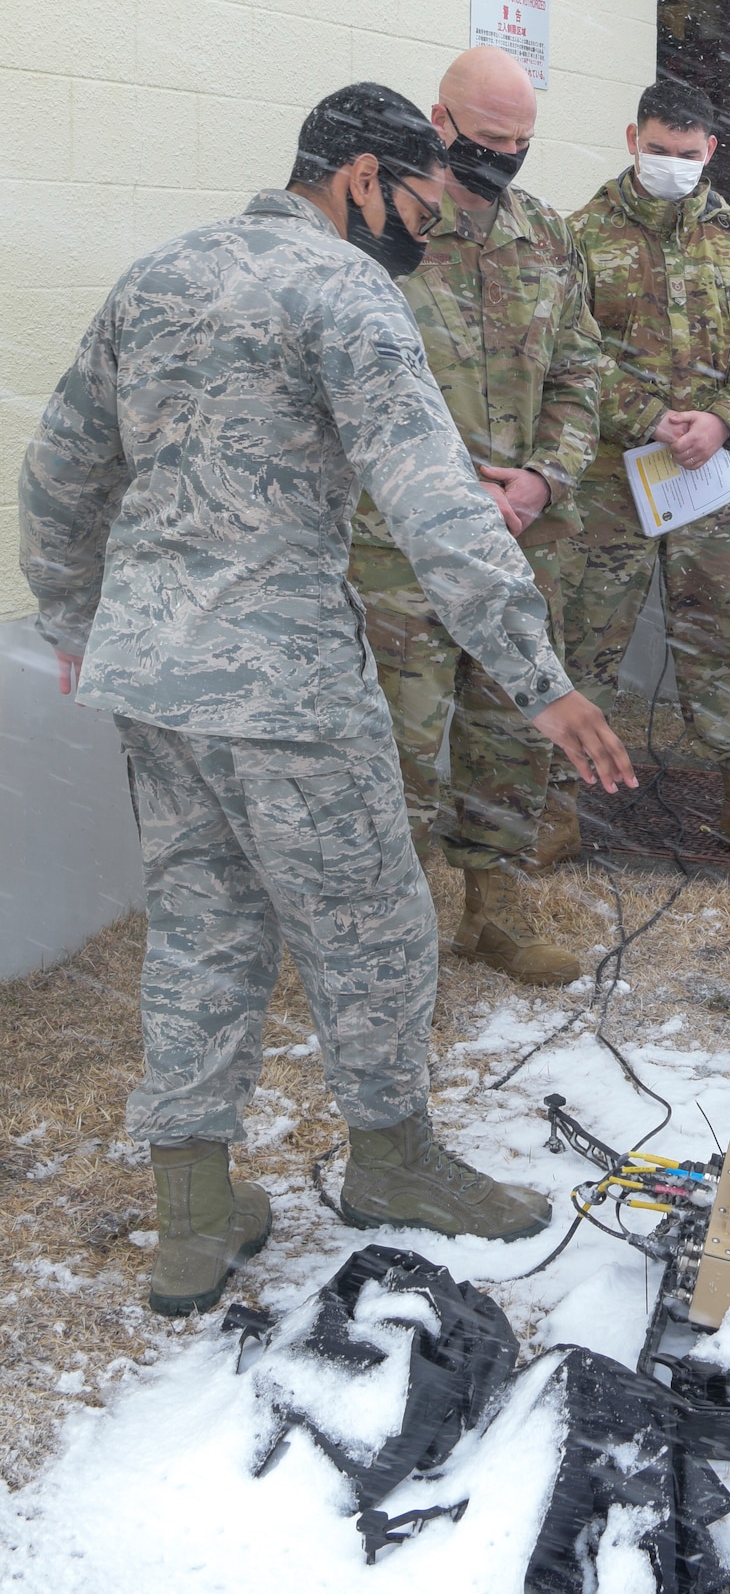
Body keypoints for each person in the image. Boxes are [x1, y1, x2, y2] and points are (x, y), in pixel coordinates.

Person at [16, 83, 635, 1319]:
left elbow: (59, 466)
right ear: (359, 178)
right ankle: (392, 1160)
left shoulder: (161, 270)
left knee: (199, 924)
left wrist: (78, 621)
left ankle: (195, 1210)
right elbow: (436, 500)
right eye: (420, 198)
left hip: (159, 678)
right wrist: (539, 678)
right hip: (285, 679)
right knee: (375, 928)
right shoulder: (347, 292)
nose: (432, 223)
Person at [348, 47, 603, 988]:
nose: (504, 156)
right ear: (438, 121)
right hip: (400, 552)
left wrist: (542, 479)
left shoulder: (548, 237)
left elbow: (584, 371)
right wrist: (458, 492)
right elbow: (356, 393)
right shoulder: (379, 235)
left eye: (521, 142)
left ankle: (494, 910)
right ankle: (395, 941)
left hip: (522, 545)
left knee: (510, 733)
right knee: (401, 748)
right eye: (488, 138)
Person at [547, 79, 730, 868]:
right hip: (608, 486)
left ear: (712, 153)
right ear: (633, 140)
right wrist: (643, 413)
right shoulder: (578, 238)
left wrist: (727, 417)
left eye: (688, 156)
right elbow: (568, 350)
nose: (672, 166)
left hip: (712, 484)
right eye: (658, 152)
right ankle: (553, 808)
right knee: (581, 642)